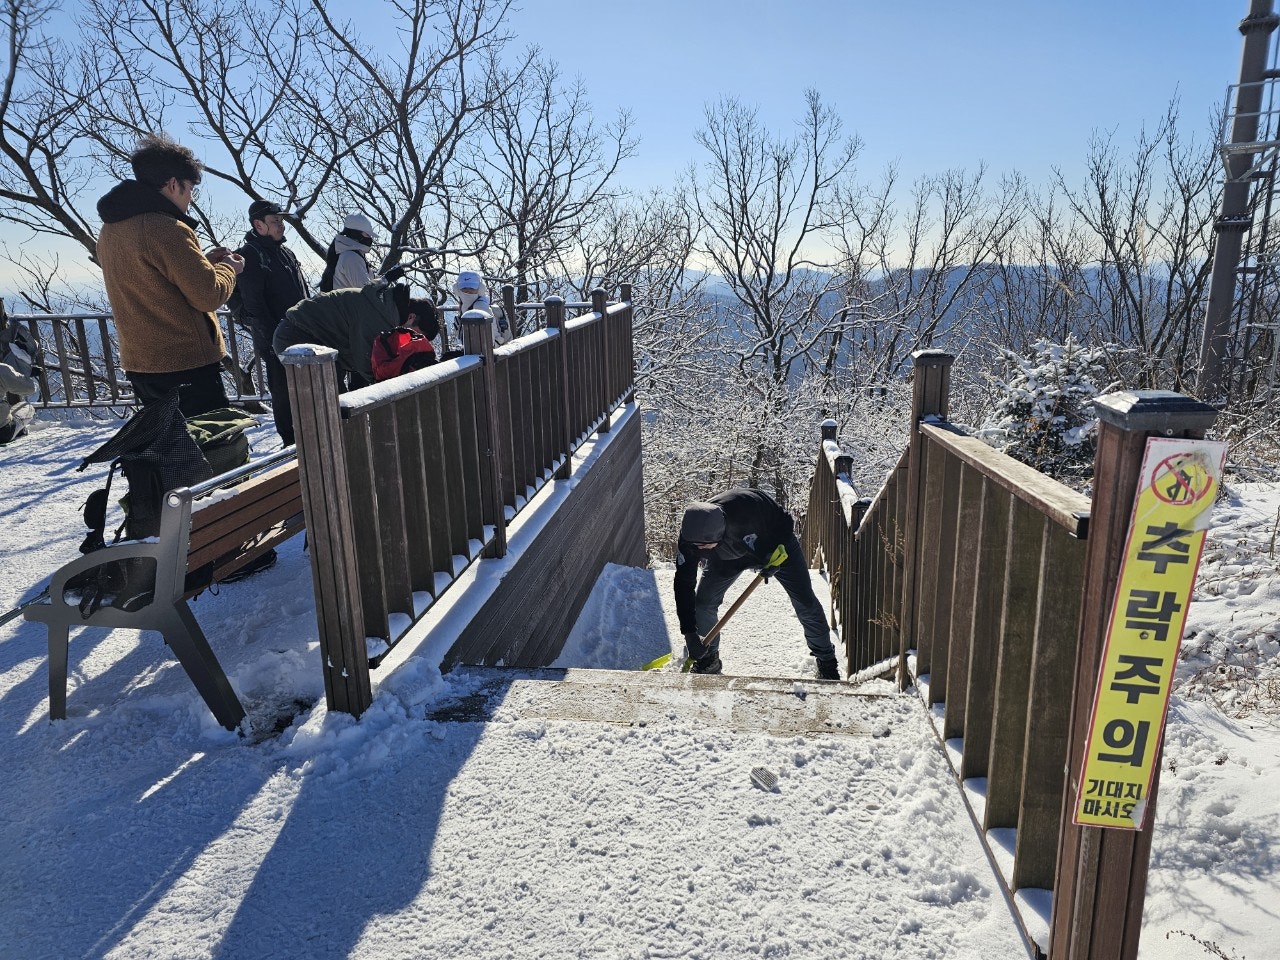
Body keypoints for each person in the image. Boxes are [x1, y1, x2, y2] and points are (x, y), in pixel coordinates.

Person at [96, 134, 243, 417]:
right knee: (211, 447)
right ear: (174, 184)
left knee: (174, 450)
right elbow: (208, 295)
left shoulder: (112, 230)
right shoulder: (166, 228)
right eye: (190, 190)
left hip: (142, 364)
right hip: (185, 364)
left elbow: (152, 280)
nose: (190, 199)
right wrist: (229, 269)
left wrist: (203, 263)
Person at [674, 488, 841, 679]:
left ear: (720, 533)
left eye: (703, 547)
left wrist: (772, 556)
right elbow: (683, 583)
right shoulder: (690, 536)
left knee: (805, 602)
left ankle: (826, 661)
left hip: (775, 547)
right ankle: (708, 660)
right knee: (703, 603)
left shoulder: (747, 509)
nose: (699, 552)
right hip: (726, 558)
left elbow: (785, 524)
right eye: (695, 547)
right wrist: (689, 633)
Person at [234, 199, 310, 446]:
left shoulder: (284, 252)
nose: (281, 225)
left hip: (299, 333)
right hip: (275, 337)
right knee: (283, 391)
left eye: (281, 220)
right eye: (275, 221)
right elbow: (254, 304)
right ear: (259, 225)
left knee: (302, 388)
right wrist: (273, 337)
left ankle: (307, 435)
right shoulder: (250, 256)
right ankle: (291, 442)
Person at [273, 279, 438, 390]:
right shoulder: (379, 319)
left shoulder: (385, 307)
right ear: (411, 318)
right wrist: (389, 390)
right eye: (416, 335)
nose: (412, 342)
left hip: (313, 338)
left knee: (334, 399)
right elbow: (368, 365)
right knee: (327, 400)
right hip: (297, 338)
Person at [319, 213, 377, 292]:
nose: (370, 238)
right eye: (367, 234)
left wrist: (386, 278)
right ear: (356, 234)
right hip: (349, 304)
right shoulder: (351, 257)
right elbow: (368, 293)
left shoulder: (348, 254)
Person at [452, 269, 511, 346]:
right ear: (457, 289)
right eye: (464, 288)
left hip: (486, 353)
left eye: (472, 288)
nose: (467, 291)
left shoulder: (481, 307)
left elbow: (491, 337)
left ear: (480, 289)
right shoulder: (465, 307)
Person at [0, 361, 37, 444]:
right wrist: (26, 374)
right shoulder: (2, 369)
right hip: (3, 432)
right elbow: (29, 388)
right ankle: (19, 429)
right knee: (27, 406)